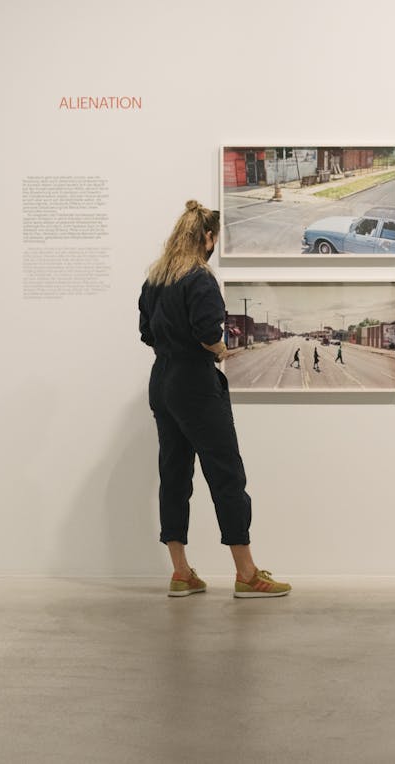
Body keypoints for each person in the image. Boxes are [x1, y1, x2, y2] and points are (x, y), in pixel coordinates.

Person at [138, 201, 291, 599]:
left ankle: (181, 572)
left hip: (162, 381)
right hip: (195, 383)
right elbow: (208, 333)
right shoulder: (200, 278)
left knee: (174, 474)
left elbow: (147, 333)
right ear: (206, 237)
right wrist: (220, 349)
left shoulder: (155, 279)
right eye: (215, 239)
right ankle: (247, 574)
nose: (215, 245)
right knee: (226, 474)